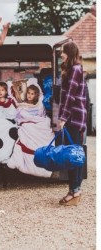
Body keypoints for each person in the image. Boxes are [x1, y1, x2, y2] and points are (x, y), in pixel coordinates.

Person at [58, 41, 87, 206]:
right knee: (73, 154)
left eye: (63, 52)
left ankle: (75, 190)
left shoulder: (75, 70)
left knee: (72, 155)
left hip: (73, 119)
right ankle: (74, 190)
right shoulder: (73, 69)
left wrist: (63, 118)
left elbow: (70, 96)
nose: (61, 54)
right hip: (74, 118)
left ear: (69, 53)